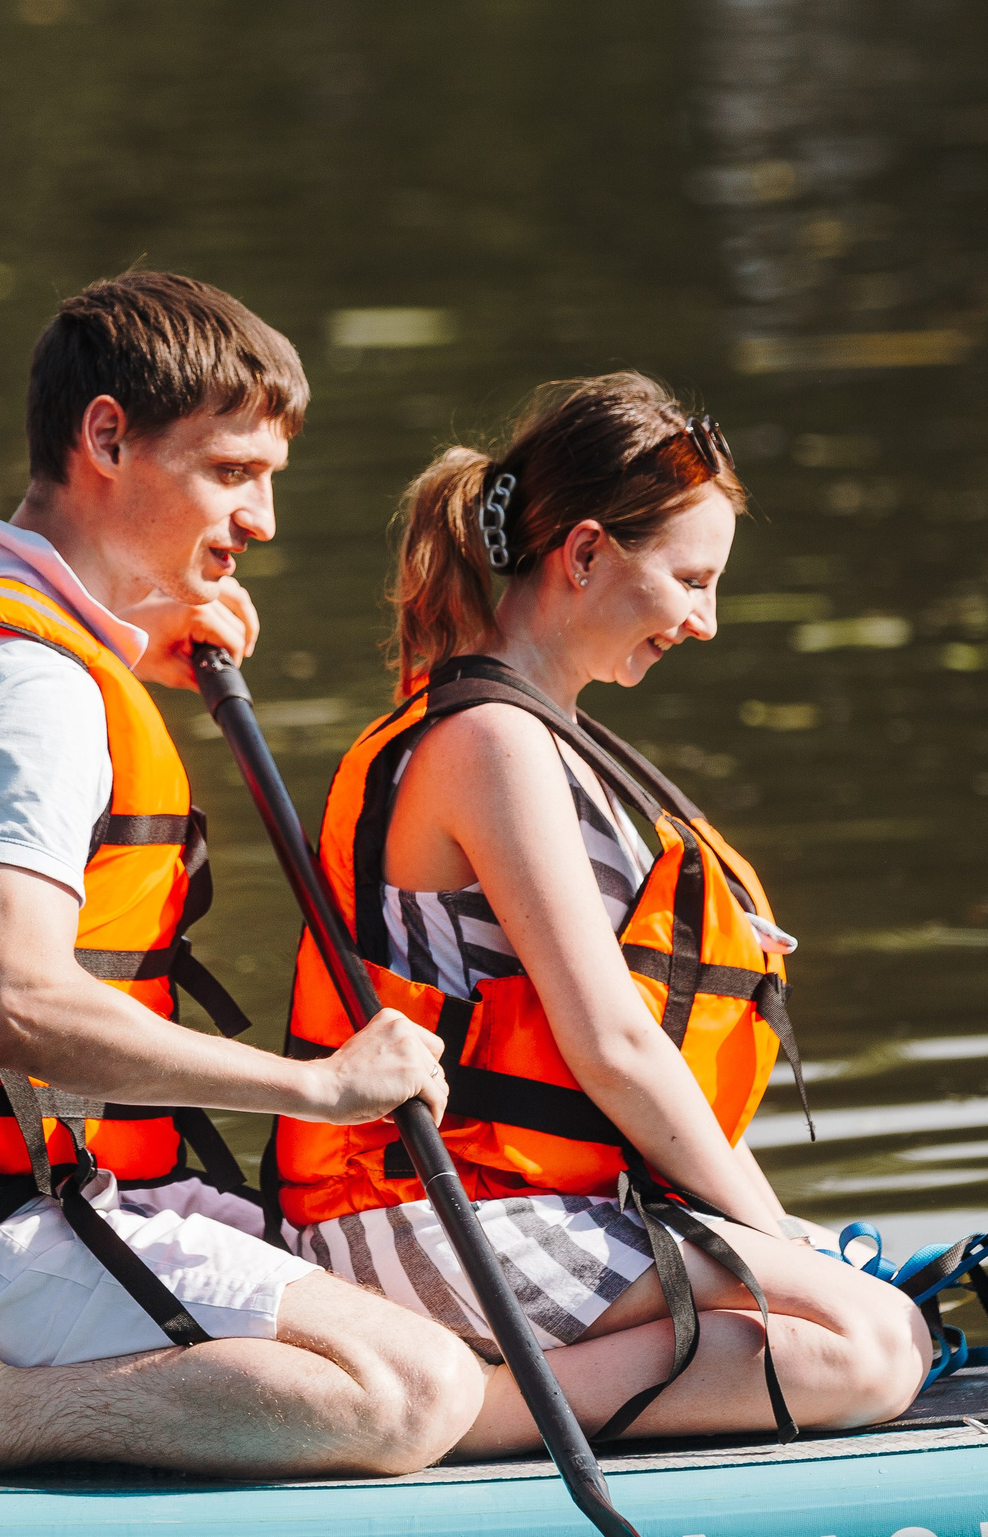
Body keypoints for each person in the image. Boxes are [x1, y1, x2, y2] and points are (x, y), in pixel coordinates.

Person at [0, 271, 485, 1480]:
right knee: (410, 1394)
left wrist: (129, 634)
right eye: (231, 472)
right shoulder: (33, 692)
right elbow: (21, 1007)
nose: (261, 519)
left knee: (413, 1300)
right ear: (108, 439)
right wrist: (319, 1087)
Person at [272, 372, 929, 1457]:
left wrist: (774, 1235)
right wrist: (769, 1232)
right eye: (690, 580)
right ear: (583, 554)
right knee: (870, 1346)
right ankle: (441, 1412)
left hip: (522, 1204)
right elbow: (613, 1043)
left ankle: (495, 1392)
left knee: (877, 1319)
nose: (705, 621)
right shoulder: (491, 741)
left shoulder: (544, 735)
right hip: (419, 1222)